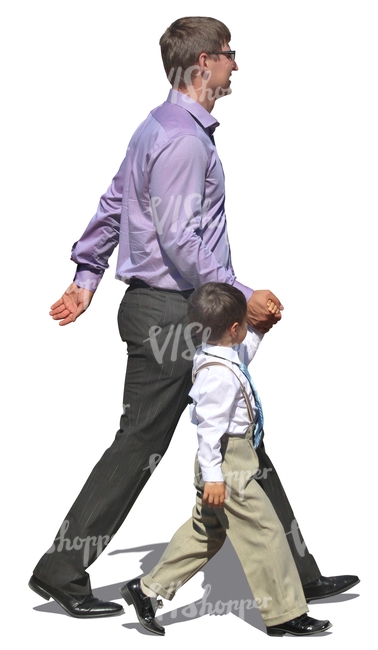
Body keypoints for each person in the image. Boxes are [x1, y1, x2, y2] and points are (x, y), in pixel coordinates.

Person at [29, 16, 358, 619]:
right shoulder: (182, 138)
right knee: (168, 442)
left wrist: (86, 278)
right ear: (202, 63)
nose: (237, 64)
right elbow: (182, 242)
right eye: (230, 54)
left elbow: (114, 203)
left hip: (164, 307)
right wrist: (242, 291)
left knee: (234, 436)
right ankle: (61, 567)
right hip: (173, 311)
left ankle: (298, 571)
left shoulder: (157, 127)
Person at [120, 282, 333, 637]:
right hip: (227, 462)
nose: (247, 330)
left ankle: (146, 591)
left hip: (228, 460)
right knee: (265, 530)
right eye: (246, 325)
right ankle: (284, 613)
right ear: (234, 329)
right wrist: (215, 477)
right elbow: (208, 430)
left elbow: (242, 353)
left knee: (207, 532)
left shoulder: (217, 354)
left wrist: (260, 329)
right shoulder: (217, 375)